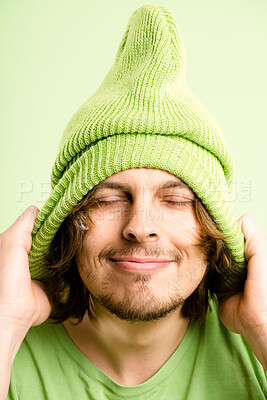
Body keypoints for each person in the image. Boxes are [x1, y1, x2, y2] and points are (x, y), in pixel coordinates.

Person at [1, 4, 266, 399]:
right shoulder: (10, 346)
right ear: (66, 221)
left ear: (216, 229)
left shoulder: (257, 348)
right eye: (107, 199)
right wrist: (5, 323)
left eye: (177, 199)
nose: (140, 226)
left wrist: (263, 330)